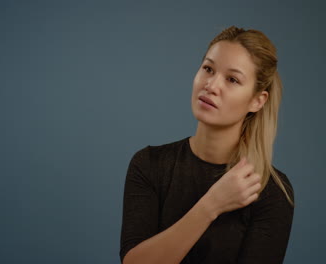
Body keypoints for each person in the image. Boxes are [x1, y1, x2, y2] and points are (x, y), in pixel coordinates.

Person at [119, 25, 295, 264]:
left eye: (232, 79)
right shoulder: (150, 164)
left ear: (257, 100)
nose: (211, 85)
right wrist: (212, 205)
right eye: (208, 69)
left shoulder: (270, 191)